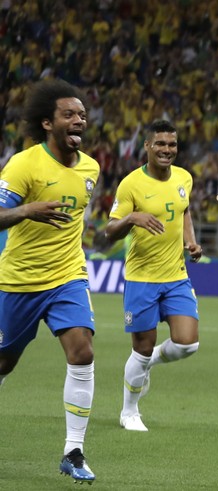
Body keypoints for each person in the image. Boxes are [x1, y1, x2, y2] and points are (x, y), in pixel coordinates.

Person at [0, 79, 99, 483]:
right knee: (4, 362)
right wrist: (27, 210)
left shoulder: (91, 168)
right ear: (47, 123)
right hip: (19, 281)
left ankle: (73, 452)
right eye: (69, 115)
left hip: (67, 277)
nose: (79, 121)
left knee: (83, 352)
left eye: (82, 115)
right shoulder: (24, 164)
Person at [104, 120, 202, 433]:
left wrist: (190, 241)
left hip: (176, 275)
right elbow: (109, 231)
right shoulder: (131, 184)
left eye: (172, 145)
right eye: (160, 144)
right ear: (147, 146)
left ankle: (150, 365)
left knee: (187, 344)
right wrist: (133, 217)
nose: (167, 150)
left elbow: (184, 209)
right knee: (141, 349)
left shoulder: (185, 177)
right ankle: (129, 411)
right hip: (141, 278)